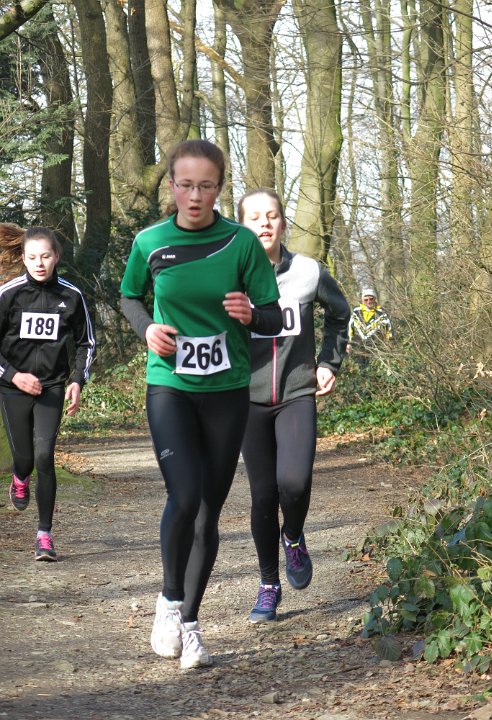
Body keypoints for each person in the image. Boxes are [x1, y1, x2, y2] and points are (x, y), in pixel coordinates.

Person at [120, 140, 282, 669]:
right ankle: (170, 603)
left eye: (206, 186)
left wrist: (250, 314)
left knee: (209, 511)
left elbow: (273, 316)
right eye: (185, 185)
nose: (195, 196)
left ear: (219, 188)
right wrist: (148, 329)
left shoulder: (241, 243)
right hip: (170, 383)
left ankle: (190, 623)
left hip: (227, 390)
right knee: (185, 495)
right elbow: (129, 296)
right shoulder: (150, 242)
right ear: (171, 185)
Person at [237, 189, 350, 623]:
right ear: (242, 226)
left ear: (283, 223)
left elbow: (339, 314)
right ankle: (268, 585)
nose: (264, 224)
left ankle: (295, 536)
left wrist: (328, 362)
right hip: (246, 398)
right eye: (254, 217)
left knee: (295, 483)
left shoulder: (308, 271)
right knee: (263, 494)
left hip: (297, 392)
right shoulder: (230, 277)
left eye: (271, 216)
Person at [0, 225, 95, 561]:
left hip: (52, 386)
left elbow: (86, 343)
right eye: (32, 257)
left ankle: (44, 535)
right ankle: (19, 477)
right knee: (25, 459)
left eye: (45, 256)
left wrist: (76, 380)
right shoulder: (8, 294)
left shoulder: (72, 296)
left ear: (56, 256)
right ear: (23, 258)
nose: (39, 263)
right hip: (12, 388)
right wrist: (14, 376)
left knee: (44, 456)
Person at [347, 288, 394, 367]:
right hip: (357, 346)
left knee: (373, 368)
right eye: (366, 300)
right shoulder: (356, 311)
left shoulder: (382, 313)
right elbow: (349, 328)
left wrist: (388, 343)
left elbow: (389, 329)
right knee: (359, 368)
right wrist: (348, 343)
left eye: (371, 299)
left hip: (375, 347)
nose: (368, 302)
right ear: (362, 300)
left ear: (375, 299)